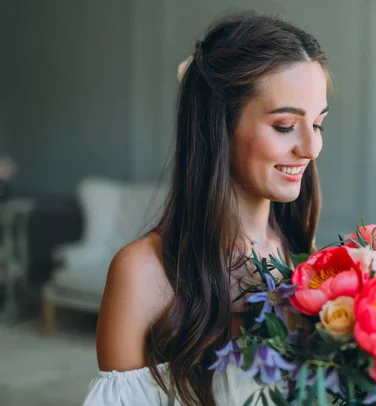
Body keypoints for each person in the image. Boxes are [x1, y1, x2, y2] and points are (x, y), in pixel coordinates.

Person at [83, 12, 329, 406]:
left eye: (319, 124)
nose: (312, 147)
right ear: (218, 126)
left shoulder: (301, 249)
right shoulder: (141, 271)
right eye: (285, 125)